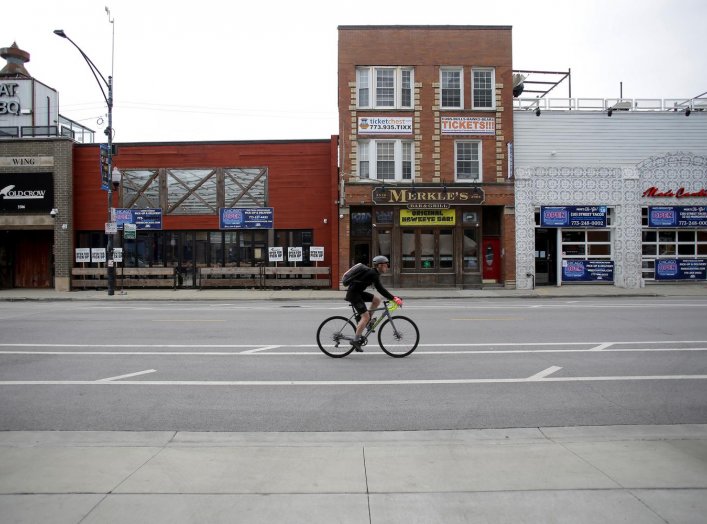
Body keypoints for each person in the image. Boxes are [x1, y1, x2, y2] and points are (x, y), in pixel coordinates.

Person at [345, 255, 403, 352]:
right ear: (380, 265)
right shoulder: (373, 274)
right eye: (386, 265)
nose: (387, 267)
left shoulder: (373, 273)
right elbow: (380, 289)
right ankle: (355, 340)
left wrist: (394, 298)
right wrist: (394, 298)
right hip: (354, 295)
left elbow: (380, 290)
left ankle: (366, 322)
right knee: (365, 316)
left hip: (357, 292)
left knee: (377, 300)